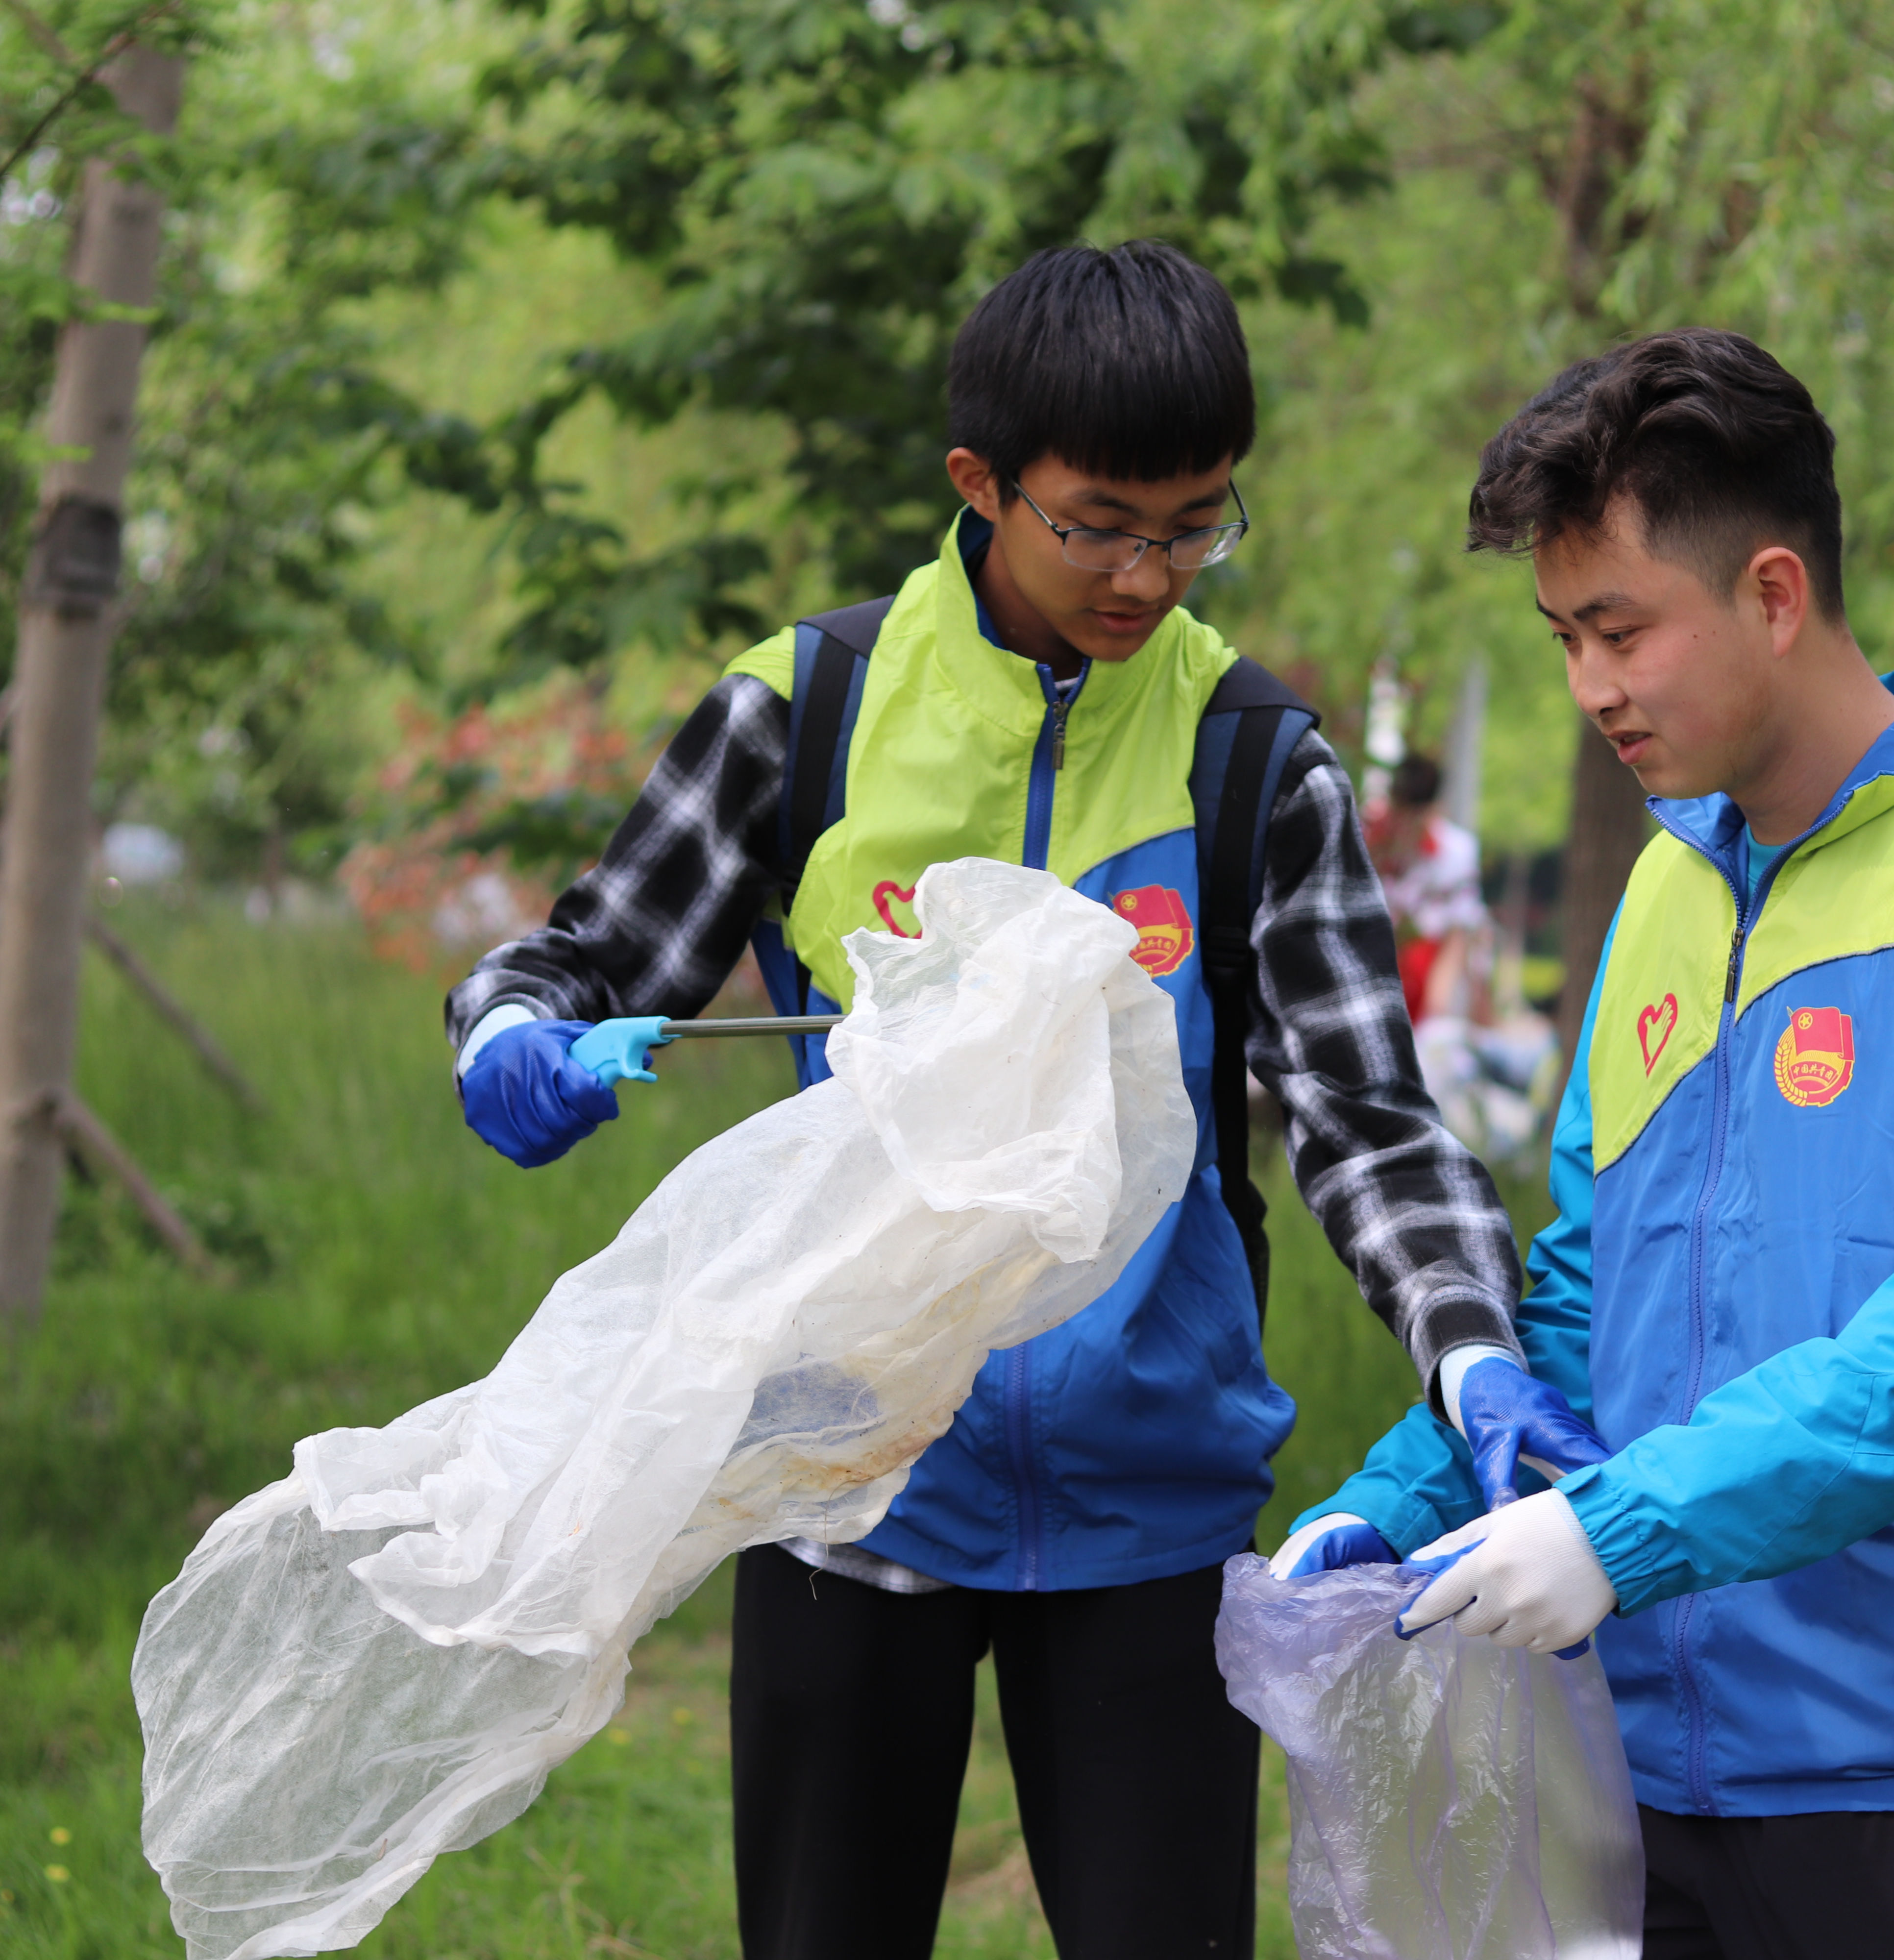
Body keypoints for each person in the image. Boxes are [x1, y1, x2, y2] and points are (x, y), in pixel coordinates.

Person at [439, 241, 1524, 1960]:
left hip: (1148, 1506)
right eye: (1099, 522)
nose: (1149, 575)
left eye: (1197, 522)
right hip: (848, 1484)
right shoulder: (813, 712)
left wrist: (1476, 1352)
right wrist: (507, 1037)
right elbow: (584, 962)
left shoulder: (1252, 761)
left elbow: (1368, 1118)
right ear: (981, 485)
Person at [1271, 328, 1894, 1959]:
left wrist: (1611, 1537)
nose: (1591, 691)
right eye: (1564, 638)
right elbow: (1585, 1294)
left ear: (1775, 593)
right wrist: (1402, 1497)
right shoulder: (1671, 885)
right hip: (1657, 1758)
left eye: (1621, 632)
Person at [1369, 752, 1490, 1024]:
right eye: (1400, 811)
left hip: (1426, 981)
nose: (1406, 823)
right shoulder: (1369, 842)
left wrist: (1437, 1011)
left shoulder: (1456, 852)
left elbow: (1459, 933)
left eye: (1415, 814)